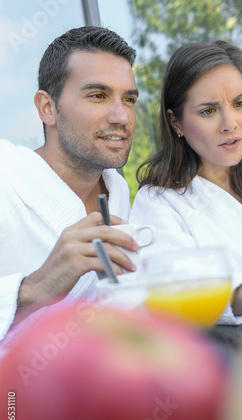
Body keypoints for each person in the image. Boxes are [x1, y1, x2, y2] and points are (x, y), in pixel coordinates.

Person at [129, 40, 242, 325]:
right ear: (176, 122)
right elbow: (176, 292)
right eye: (208, 111)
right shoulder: (159, 202)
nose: (230, 123)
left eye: (240, 104)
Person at [0, 26, 140, 341]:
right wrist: (35, 288)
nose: (121, 116)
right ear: (48, 108)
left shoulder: (117, 192)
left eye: (129, 99)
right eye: (98, 95)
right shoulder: (5, 179)